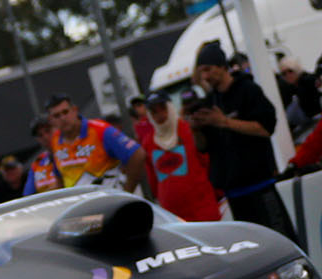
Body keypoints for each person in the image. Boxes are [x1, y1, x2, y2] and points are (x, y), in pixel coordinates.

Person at [191, 47, 299, 242]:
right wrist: (196, 130)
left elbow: (265, 128)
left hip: (260, 186)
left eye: (208, 69)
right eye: (201, 72)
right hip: (234, 193)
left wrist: (225, 122)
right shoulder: (210, 102)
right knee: (255, 248)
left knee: (281, 241)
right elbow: (203, 147)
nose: (205, 76)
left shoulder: (248, 90)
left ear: (222, 66)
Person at [31, 92, 147, 194]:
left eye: (65, 112)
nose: (62, 118)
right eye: (57, 116)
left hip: (109, 201)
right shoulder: (55, 140)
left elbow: (137, 154)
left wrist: (127, 190)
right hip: (80, 206)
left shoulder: (100, 130)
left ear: (75, 110)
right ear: (51, 120)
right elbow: (59, 176)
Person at [135, 92, 220, 222]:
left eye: (163, 108)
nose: (160, 115)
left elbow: (208, 163)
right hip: (173, 217)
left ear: (170, 107)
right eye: (154, 111)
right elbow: (152, 181)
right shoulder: (148, 143)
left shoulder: (189, 130)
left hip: (203, 210)